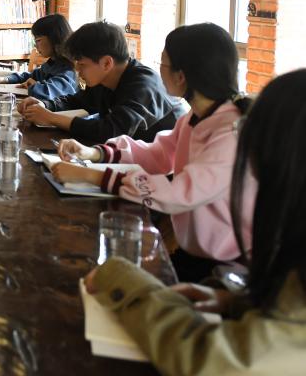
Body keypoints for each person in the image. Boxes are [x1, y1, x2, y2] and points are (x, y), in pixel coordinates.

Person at [83, 69, 306, 375]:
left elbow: (215, 360)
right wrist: (235, 301)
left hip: (218, 258)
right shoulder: (194, 119)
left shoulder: (224, 130)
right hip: (224, 271)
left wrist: (119, 278)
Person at [51, 23, 256, 281]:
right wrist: (94, 154)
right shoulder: (195, 117)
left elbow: (181, 191)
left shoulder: (231, 131)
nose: (159, 69)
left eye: (163, 63)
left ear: (181, 76)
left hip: (230, 269)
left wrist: (92, 176)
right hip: (196, 252)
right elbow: (158, 154)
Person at [18, 21, 183, 143]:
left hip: (169, 167)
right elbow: (77, 100)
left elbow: (110, 131)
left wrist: (51, 118)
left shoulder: (143, 85)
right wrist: (45, 105)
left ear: (106, 63)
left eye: (82, 64)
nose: (77, 70)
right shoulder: (104, 78)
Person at [0, 14, 77, 101]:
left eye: (38, 40)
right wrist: (4, 79)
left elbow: (48, 93)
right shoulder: (52, 63)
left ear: (54, 39)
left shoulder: (68, 70)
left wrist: (35, 85)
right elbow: (31, 76)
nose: (35, 45)